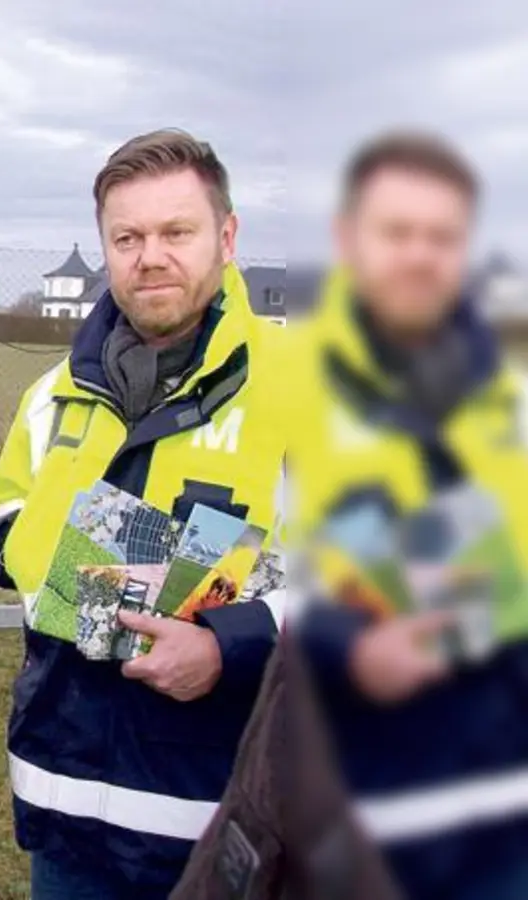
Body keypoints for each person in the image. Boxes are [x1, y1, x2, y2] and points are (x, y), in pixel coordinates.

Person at [0, 129, 291, 898]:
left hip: (223, 821)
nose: (150, 257)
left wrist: (227, 643)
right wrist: (62, 562)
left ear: (226, 237)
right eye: (128, 238)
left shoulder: (307, 391)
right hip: (64, 803)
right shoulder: (52, 392)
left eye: (176, 233)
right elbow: (3, 520)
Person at [275, 131, 528, 900]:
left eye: (442, 237)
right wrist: (350, 648)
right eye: (398, 232)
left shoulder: (509, 395)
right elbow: (248, 570)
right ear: (347, 239)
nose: (421, 255)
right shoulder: (287, 388)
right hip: (357, 825)